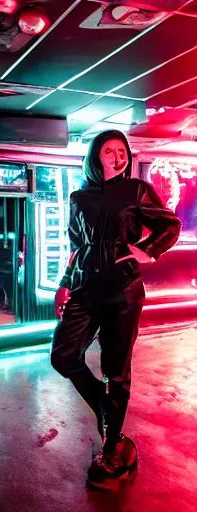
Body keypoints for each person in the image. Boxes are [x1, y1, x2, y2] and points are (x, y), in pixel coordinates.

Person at [51, 130, 181, 490]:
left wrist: (147, 250)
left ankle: (111, 444)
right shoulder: (79, 197)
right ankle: (106, 411)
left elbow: (170, 225)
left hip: (124, 290)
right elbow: (76, 245)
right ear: (97, 156)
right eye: (109, 150)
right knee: (63, 356)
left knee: (116, 371)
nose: (117, 156)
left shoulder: (137, 190)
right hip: (85, 288)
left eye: (122, 150)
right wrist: (64, 282)